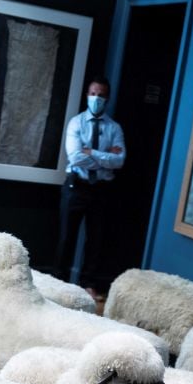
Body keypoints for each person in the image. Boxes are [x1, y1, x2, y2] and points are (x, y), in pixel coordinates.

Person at [55, 75, 125, 302]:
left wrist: (92, 153)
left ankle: (88, 284)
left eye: (101, 95)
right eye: (93, 94)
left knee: (95, 240)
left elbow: (120, 161)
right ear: (87, 95)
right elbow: (75, 156)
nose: (96, 98)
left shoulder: (114, 129)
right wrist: (106, 157)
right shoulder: (76, 123)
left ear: (108, 98)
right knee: (67, 236)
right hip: (77, 185)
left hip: (101, 189)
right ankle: (59, 282)